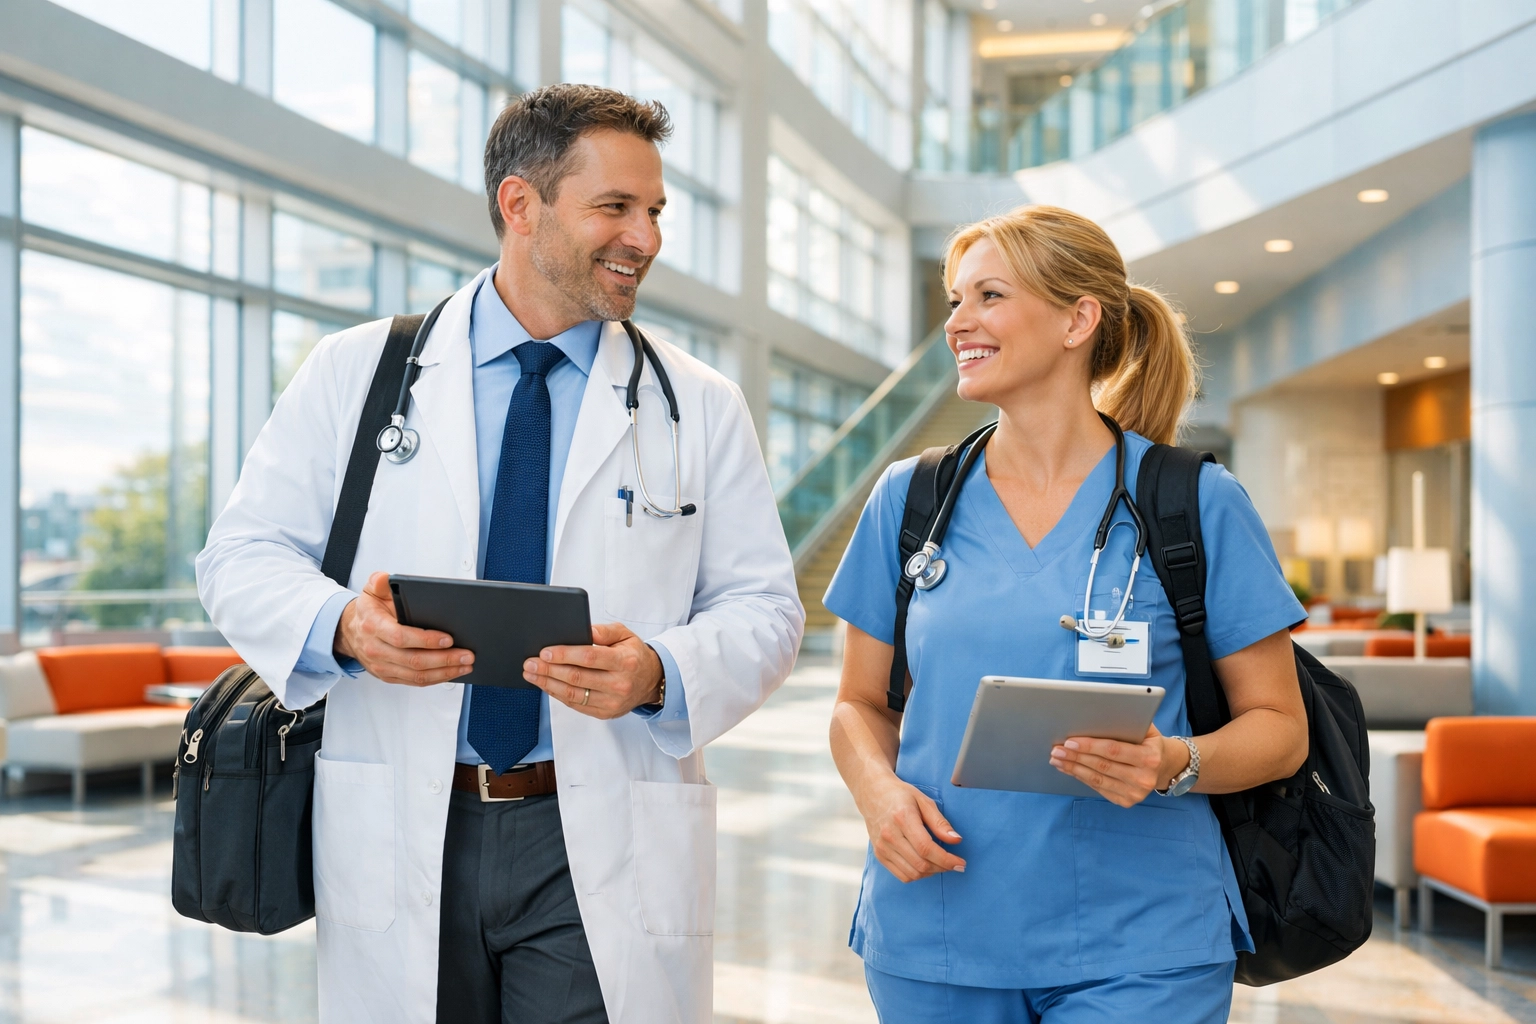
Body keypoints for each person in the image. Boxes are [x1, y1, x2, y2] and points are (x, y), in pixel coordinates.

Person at [196, 84, 804, 1024]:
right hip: (404, 816)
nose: (644, 236)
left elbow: (766, 609)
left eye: (654, 212)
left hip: (597, 825)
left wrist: (656, 672)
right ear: (520, 206)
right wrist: (345, 626)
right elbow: (240, 554)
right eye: (615, 207)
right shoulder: (358, 373)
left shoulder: (699, 403)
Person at [823, 205, 1309, 1023]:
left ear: (1078, 319)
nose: (958, 323)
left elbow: (1281, 727)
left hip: (1142, 939)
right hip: (937, 925)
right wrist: (877, 794)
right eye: (953, 300)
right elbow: (858, 704)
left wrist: (1172, 762)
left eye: (988, 296)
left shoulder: (1195, 503)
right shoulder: (911, 499)